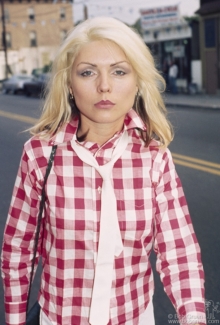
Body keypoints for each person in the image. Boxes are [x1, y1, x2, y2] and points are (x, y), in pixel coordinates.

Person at [1, 17, 206, 325]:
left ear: (137, 81)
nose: (104, 86)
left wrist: (194, 319)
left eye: (119, 71)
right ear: (69, 83)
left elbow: (180, 255)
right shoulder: (40, 155)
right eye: (87, 73)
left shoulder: (154, 158)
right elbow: (18, 251)